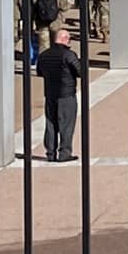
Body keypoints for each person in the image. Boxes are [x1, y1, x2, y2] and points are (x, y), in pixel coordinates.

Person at [36, 28, 83, 161]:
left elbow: (40, 72)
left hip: (50, 93)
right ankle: (64, 152)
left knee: (50, 124)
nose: (69, 42)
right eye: (69, 39)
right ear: (63, 39)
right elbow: (80, 72)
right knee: (66, 124)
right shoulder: (68, 55)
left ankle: (50, 153)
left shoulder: (44, 55)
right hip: (66, 94)